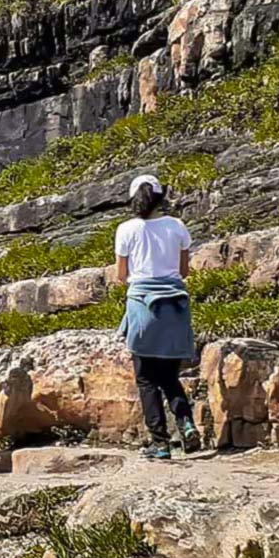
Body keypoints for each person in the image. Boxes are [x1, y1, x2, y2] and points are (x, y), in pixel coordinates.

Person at [115, 174, 200, 459]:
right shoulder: (177, 226)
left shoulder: (126, 229)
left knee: (146, 378)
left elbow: (121, 276)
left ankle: (160, 443)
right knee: (169, 376)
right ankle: (187, 424)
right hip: (176, 306)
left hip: (142, 306)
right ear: (161, 197)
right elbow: (184, 271)